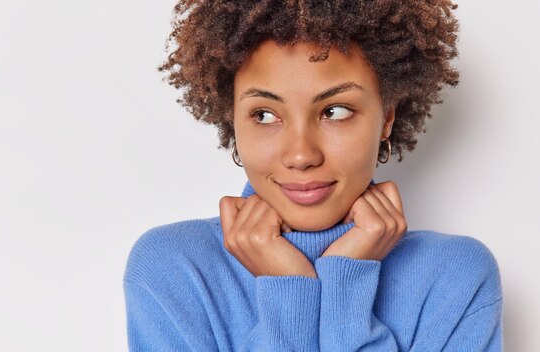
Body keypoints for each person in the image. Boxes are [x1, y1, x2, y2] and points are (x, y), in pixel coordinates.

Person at [123, 0, 503, 351]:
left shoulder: (456, 279)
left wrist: (345, 283)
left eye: (335, 111)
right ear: (233, 120)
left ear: (386, 118)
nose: (301, 155)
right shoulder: (174, 270)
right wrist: (289, 289)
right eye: (264, 115)